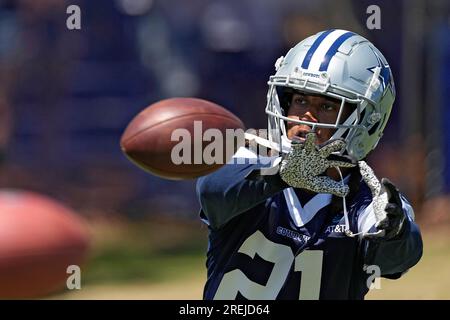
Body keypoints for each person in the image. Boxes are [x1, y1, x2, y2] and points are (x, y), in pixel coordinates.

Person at [196, 29, 423, 300]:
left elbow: (398, 260)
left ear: (365, 120)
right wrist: (281, 175)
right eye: (300, 100)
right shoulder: (252, 158)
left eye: (327, 106)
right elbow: (212, 190)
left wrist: (394, 234)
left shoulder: (366, 201)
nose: (306, 117)